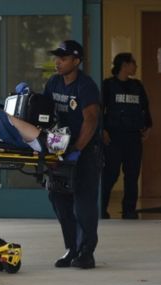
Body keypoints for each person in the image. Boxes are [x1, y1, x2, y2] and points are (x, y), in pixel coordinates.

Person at [43, 40, 102, 269]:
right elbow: (46, 113)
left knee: (84, 203)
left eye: (64, 58)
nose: (58, 62)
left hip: (84, 151)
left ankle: (87, 252)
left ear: (76, 61)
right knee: (59, 200)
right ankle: (72, 249)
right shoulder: (54, 82)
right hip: (61, 150)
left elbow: (91, 119)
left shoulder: (85, 86)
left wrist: (77, 149)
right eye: (57, 57)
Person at [100, 53, 152, 220]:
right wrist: (102, 130)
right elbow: (99, 110)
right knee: (110, 174)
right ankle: (101, 209)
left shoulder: (137, 85)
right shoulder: (108, 85)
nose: (135, 66)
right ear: (124, 65)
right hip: (113, 137)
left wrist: (148, 126)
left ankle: (129, 211)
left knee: (132, 175)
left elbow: (144, 107)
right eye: (133, 63)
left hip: (133, 136)